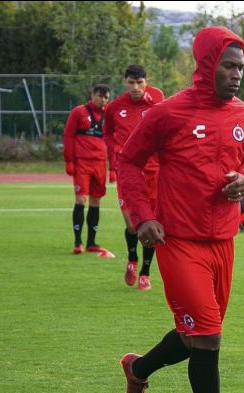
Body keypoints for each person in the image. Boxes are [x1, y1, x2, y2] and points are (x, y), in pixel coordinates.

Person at [117, 26, 244, 393]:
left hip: (224, 241)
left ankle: (139, 369)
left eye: (241, 67)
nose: (237, 74)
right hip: (178, 241)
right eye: (229, 65)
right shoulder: (168, 113)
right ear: (208, 64)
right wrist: (142, 215)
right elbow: (129, 160)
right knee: (208, 337)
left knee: (194, 335)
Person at [103, 65, 164, 290]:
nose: (136, 87)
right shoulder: (115, 107)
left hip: (153, 172)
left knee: (150, 224)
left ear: (146, 82)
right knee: (131, 224)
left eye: (140, 82)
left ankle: (145, 273)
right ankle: (132, 259)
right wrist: (117, 151)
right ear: (125, 82)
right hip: (127, 173)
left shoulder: (157, 100)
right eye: (131, 82)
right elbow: (107, 133)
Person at [62, 84, 115, 257]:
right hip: (82, 163)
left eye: (106, 97)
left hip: (100, 163)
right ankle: (78, 242)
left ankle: (92, 242)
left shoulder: (109, 115)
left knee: (96, 201)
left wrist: (113, 168)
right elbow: (68, 136)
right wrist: (69, 161)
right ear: (92, 95)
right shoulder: (78, 112)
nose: (103, 100)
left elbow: (112, 142)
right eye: (100, 96)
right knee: (80, 199)